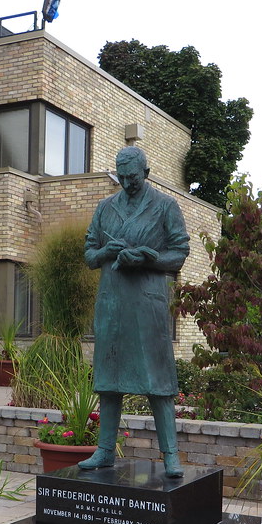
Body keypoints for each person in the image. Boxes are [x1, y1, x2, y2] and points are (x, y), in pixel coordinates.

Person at [78, 147, 190, 477]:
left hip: (147, 303)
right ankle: (104, 451)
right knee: (109, 380)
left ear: (147, 172)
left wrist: (149, 258)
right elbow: (88, 253)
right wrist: (104, 252)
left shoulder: (165, 206)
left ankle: (170, 455)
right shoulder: (105, 208)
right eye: (122, 177)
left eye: (133, 177)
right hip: (112, 302)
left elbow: (180, 253)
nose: (127, 183)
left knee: (158, 380)